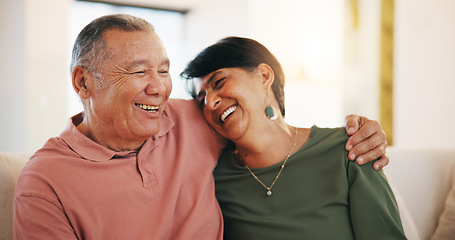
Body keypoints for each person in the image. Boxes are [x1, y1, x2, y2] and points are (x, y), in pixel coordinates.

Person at [13, 14, 388, 239]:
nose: (158, 87)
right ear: (82, 83)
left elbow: (262, 126)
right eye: (138, 70)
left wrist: (359, 130)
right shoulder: (45, 182)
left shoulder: (190, 119)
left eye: (162, 69)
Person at [180, 36, 407, 239]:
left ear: (264, 76)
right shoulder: (213, 179)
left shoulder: (349, 148)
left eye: (219, 83)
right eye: (202, 100)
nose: (210, 103)